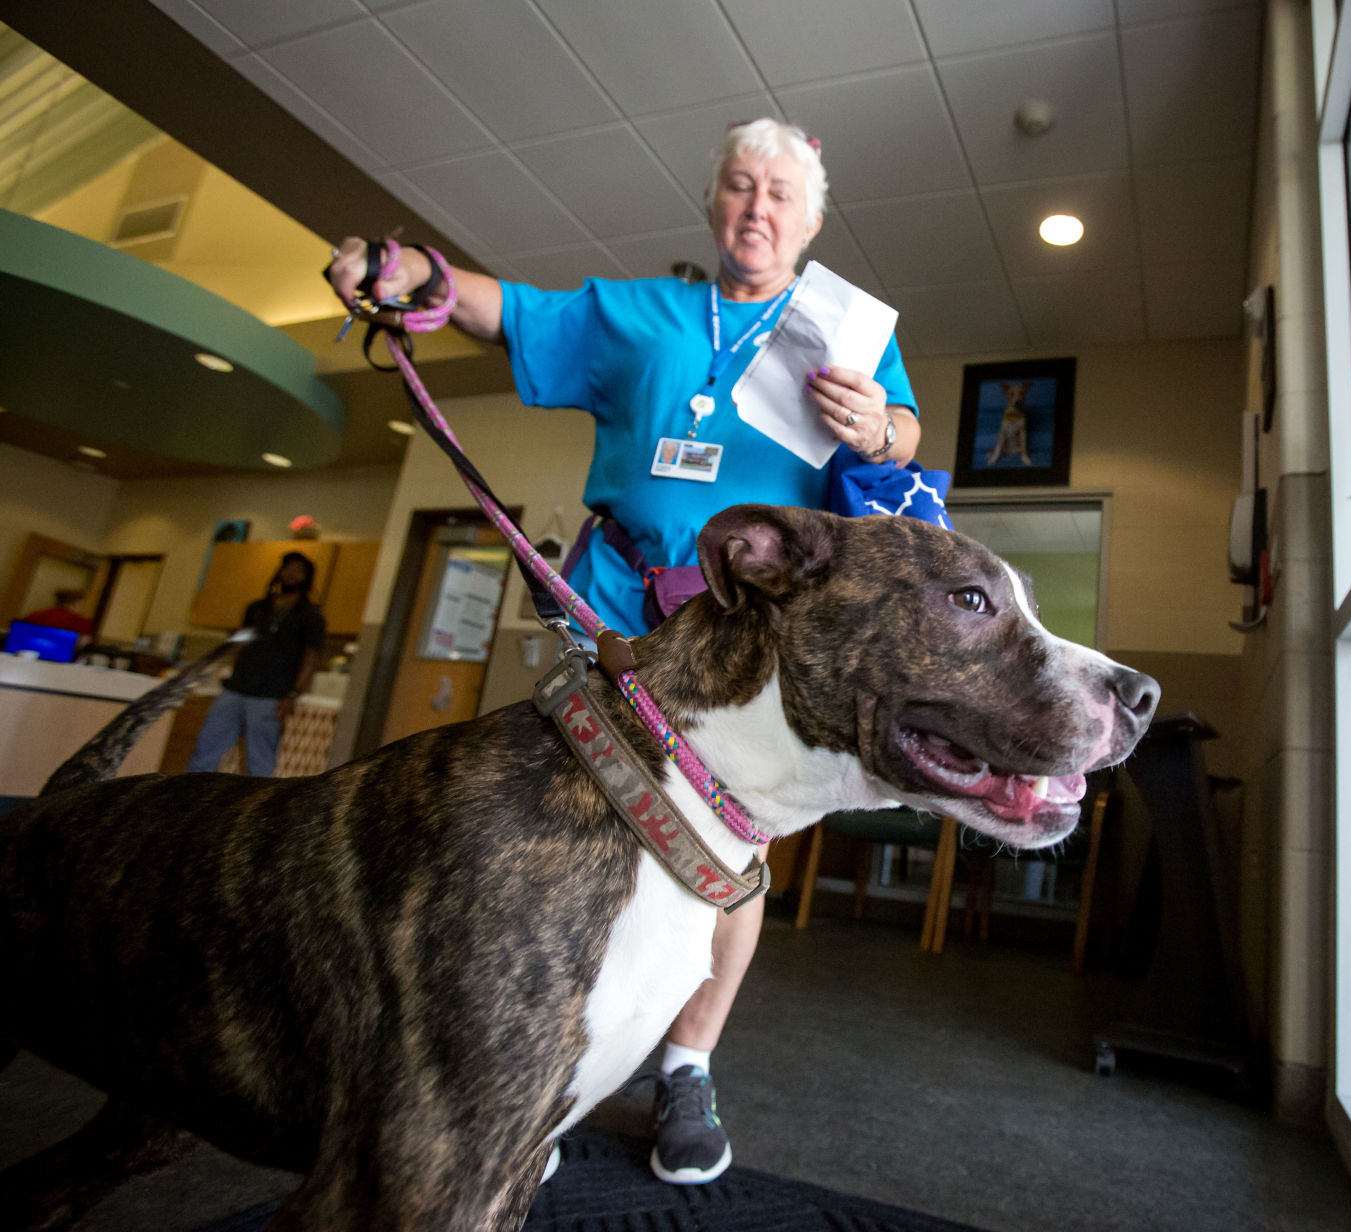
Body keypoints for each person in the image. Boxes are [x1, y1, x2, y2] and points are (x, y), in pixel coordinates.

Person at [327, 118, 920, 1186]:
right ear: (713, 201)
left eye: (781, 193)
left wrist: (876, 429)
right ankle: (548, 1063)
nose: (757, 207)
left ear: (813, 217)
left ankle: (686, 1063)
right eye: (740, 185)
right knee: (555, 827)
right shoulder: (637, 312)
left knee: (728, 859)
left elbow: (904, 439)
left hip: (740, 634)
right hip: (602, 604)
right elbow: (503, 308)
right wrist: (414, 270)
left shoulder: (844, 330)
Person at [188, 552, 324, 777]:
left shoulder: (310, 615)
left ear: (307, 578)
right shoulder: (257, 608)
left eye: (299, 570)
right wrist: (214, 662)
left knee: (260, 760)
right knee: (207, 746)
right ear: (279, 572)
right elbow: (240, 642)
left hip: (272, 695)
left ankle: (258, 806)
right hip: (235, 688)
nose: (291, 574)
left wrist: (293, 694)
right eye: (288, 567)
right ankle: (188, 796)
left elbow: (311, 657)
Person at [22, 588, 95, 638]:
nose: (83, 609)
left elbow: (18, 630)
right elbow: (84, 642)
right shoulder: (80, 621)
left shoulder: (38, 614)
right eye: (82, 605)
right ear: (74, 604)